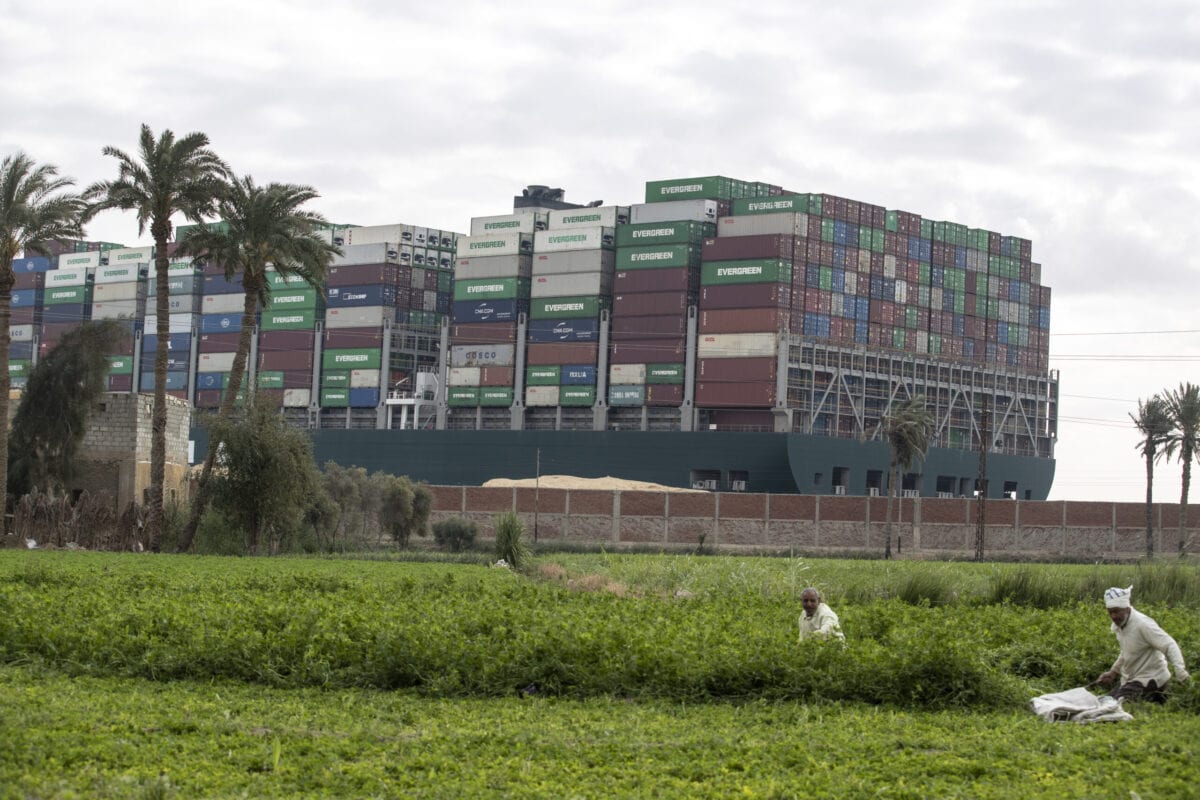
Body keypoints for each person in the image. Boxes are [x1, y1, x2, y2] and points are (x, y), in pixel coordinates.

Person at [1096, 585, 1189, 703]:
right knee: (1105, 700)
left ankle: (1157, 697)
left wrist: (1181, 672)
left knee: (1115, 704)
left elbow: (1169, 644)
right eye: (1110, 612)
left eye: (1116, 611)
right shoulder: (1121, 625)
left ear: (1127, 608)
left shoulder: (1142, 624)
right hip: (1131, 680)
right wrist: (1114, 672)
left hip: (1151, 679)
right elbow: (1127, 652)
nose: (1113, 616)